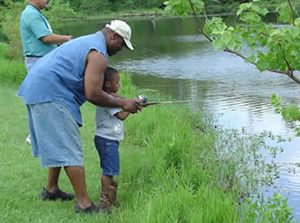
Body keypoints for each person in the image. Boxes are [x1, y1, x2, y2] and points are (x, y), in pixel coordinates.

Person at [17, 19, 141, 213]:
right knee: (70, 148)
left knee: (59, 142)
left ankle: (51, 189)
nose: (121, 49)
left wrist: (121, 99)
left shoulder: (89, 41)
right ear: (114, 36)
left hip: (38, 87)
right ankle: (84, 204)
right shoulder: (98, 54)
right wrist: (123, 102)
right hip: (52, 93)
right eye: (122, 44)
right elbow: (93, 93)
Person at [20, 0, 72, 144]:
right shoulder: (31, 14)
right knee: (42, 98)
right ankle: (35, 134)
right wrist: (67, 39)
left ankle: (40, 132)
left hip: (42, 61)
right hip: (38, 62)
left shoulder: (35, 13)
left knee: (47, 96)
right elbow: (46, 37)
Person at [94, 67, 133, 210]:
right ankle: (104, 202)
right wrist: (130, 109)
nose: (119, 85)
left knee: (111, 169)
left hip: (109, 140)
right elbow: (121, 116)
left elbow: (122, 99)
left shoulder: (110, 97)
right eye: (117, 83)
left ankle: (112, 198)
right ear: (108, 84)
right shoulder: (107, 100)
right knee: (109, 170)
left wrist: (134, 102)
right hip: (106, 140)